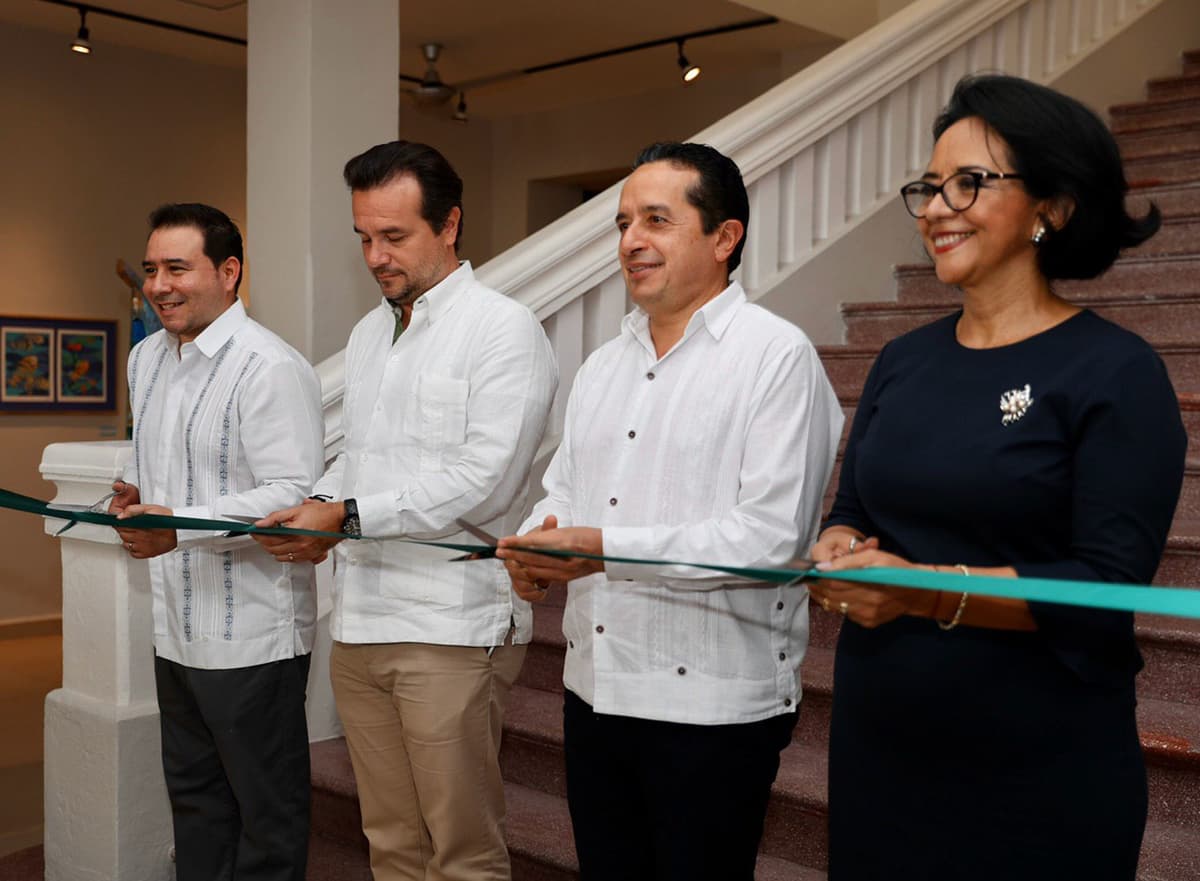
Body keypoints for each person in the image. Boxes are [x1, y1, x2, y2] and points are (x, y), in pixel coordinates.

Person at [808, 74, 1188, 881]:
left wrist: (924, 589)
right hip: (883, 748)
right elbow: (851, 509)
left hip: (1036, 772)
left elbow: (1107, 590)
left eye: (969, 184)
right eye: (930, 187)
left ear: (1051, 205)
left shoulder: (1116, 371)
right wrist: (839, 548)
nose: (935, 208)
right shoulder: (902, 362)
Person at [495, 142, 843, 881]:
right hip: (596, 688)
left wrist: (605, 548)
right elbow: (566, 490)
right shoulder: (601, 364)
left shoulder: (776, 357)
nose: (630, 241)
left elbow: (770, 538)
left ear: (725, 237)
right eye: (623, 223)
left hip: (714, 708)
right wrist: (541, 546)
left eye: (657, 219)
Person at [251, 140, 557, 881]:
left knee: (462, 851)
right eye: (363, 236)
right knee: (389, 841)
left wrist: (347, 516)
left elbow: (484, 477)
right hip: (360, 621)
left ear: (449, 225)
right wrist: (317, 507)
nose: (375, 256)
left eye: (394, 236)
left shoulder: (502, 328)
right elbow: (362, 455)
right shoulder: (367, 334)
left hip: (451, 626)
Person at [110, 203, 325, 881]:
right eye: (151, 269)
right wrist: (132, 499)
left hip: (252, 636)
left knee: (268, 821)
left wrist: (178, 524)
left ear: (229, 272)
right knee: (197, 805)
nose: (159, 284)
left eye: (178, 267)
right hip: (174, 628)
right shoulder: (145, 360)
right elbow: (160, 471)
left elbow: (293, 492)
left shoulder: (269, 366)